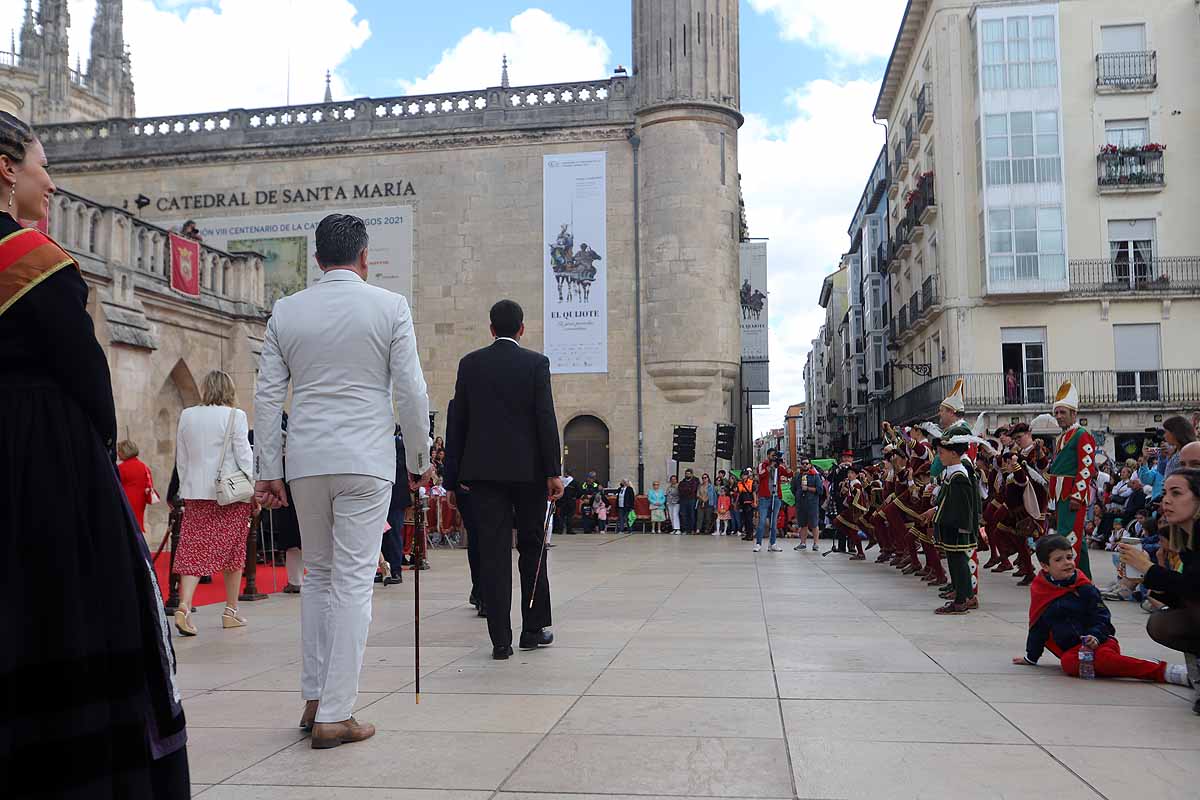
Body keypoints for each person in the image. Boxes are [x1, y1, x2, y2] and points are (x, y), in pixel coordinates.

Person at [0, 113, 190, 797]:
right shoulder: (35, 261)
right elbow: (88, 380)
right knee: (67, 612)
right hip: (41, 461)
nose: (50, 182)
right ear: (6, 169)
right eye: (42, 166)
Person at [255, 213, 431, 749]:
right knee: (354, 581)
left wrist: (268, 470)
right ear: (364, 258)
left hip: (306, 459)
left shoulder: (287, 310)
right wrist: (421, 459)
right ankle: (336, 711)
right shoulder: (389, 306)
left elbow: (267, 395)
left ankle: (314, 697)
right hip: (365, 458)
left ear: (316, 260)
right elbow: (411, 391)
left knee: (320, 578)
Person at [446, 299, 562, 660]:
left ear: (491, 328)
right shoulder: (535, 364)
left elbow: (457, 421)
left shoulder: (470, 364)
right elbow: (546, 418)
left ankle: (500, 640)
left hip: (483, 476)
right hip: (528, 475)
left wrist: (452, 479)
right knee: (531, 548)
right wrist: (552, 471)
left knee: (493, 553)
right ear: (522, 329)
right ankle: (532, 627)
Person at [1017, 535, 1192, 687]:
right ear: (1044, 566)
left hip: (1101, 641)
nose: (1067, 563)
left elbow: (1102, 618)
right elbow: (1038, 625)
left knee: (1099, 659)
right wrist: (1031, 657)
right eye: (1059, 559)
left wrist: (1095, 636)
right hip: (1074, 650)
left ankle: (1166, 671)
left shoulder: (1084, 588)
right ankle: (1116, 664)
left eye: (1069, 557)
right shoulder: (1041, 589)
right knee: (1069, 663)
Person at [173, 370, 255, 635]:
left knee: (193, 547)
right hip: (230, 493)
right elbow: (244, 455)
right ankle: (230, 610)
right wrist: (252, 489)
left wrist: (186, 487)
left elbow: (181, 458)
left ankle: (185, 604)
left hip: (196, 491)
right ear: (229, 390)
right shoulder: (236, 416)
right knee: (234, 549)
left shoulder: (187, 415)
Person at [1118, 469, 1200, 713]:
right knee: (1163, 621)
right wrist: (1145, 578)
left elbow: (1195, 588)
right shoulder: (1187, 538)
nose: (1166, 500)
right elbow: (1185, 592)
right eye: (1165, 493)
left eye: (1176, 493)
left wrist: (1149, 569)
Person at [1046, 380, 1096, 579]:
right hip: (1060, 495)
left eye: (1062, 412)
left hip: (1072, 496)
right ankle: (1085, 578)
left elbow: (1086, 467)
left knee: (1069, 537)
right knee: (1076, 539)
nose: (1058, 416)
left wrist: (1078, 495)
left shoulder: (1082, 435)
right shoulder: (1062, 437)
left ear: (1074, 413)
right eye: (1056, 413)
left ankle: (1071, 579)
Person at [931, 435, 980, 614]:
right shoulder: (951, 472)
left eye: (941, 453)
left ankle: (961, 600)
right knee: (954, 560)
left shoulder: (959, 475)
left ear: (953, 453)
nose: (939, 456)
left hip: (956, 525)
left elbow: (961, 505)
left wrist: (936, 513)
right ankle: (965, 596)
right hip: (951, 525)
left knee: (958, 561)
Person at [754, 448, 792, 552]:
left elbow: (789, 474)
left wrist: (784, 464)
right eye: (772, 455)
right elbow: (761, 475)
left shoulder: (779, 467)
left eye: (775, 455)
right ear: (768, 456)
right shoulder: (763, 465)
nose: (774, 457)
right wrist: (770, 466)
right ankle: (758, 543)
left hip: (776, 497)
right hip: (764, 497)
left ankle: (773, 543)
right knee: (762, 521)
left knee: (773, 522)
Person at [117, 439, 156, 534]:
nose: (117, 453)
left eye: (119, 451)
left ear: (124, 452)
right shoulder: (144, 467)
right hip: (140, 502)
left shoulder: (121, 468)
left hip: (125, 501)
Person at [792, 458, 823, 551]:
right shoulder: (798, 475)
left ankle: (816, 543)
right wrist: (798, 495)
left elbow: (820, 490)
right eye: (803, 463)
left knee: (814, 523)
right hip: (801, 503)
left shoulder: (815, 475)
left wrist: (808, 488)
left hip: (812, 503)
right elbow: (793, 488)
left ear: (810, 465)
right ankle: (803, 543)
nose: (804, 465)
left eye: (806, 463)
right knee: (802, 524)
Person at [678, 468, 699, 533]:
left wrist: (686, 490)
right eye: (686, 474)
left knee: (692, 515)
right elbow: (680, 489)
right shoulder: (682, 482)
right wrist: (687, 489)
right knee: (684, 515)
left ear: (692, 474)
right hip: (683, 500)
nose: (687, 475)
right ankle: (685, 529)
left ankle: (692, 529)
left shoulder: (695, 481)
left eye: (689, 474)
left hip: (691, 500)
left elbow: (693, 490)